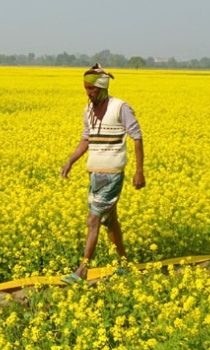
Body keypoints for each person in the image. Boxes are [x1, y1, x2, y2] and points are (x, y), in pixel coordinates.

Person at [60, 64, 145, 284]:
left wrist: (139, 171)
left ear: (103, 88)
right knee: (111, 222)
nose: (88, 93)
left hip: (113, 174)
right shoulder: (87, 110)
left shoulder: (120, 107)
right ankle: (124, 264)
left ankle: (82, 270)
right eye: (86, 89)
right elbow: (86, 140)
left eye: (92, 89)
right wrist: (71, 160)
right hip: (95, 174)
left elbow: (137, 137)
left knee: (93, 220)